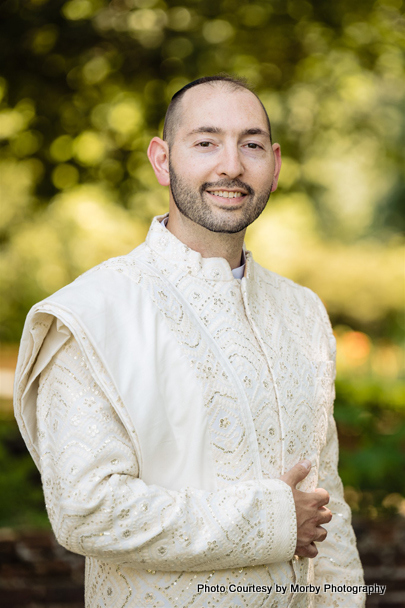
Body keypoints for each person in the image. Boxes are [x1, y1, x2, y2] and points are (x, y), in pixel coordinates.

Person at [14, 75, 365, 607]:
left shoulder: (303, 312)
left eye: (250, 145)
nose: (231, 165)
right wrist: (273, 520)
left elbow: (326, 501)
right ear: (162, 160)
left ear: (274, 165)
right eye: (205, 143)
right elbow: (85, 510)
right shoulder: (91, 313)